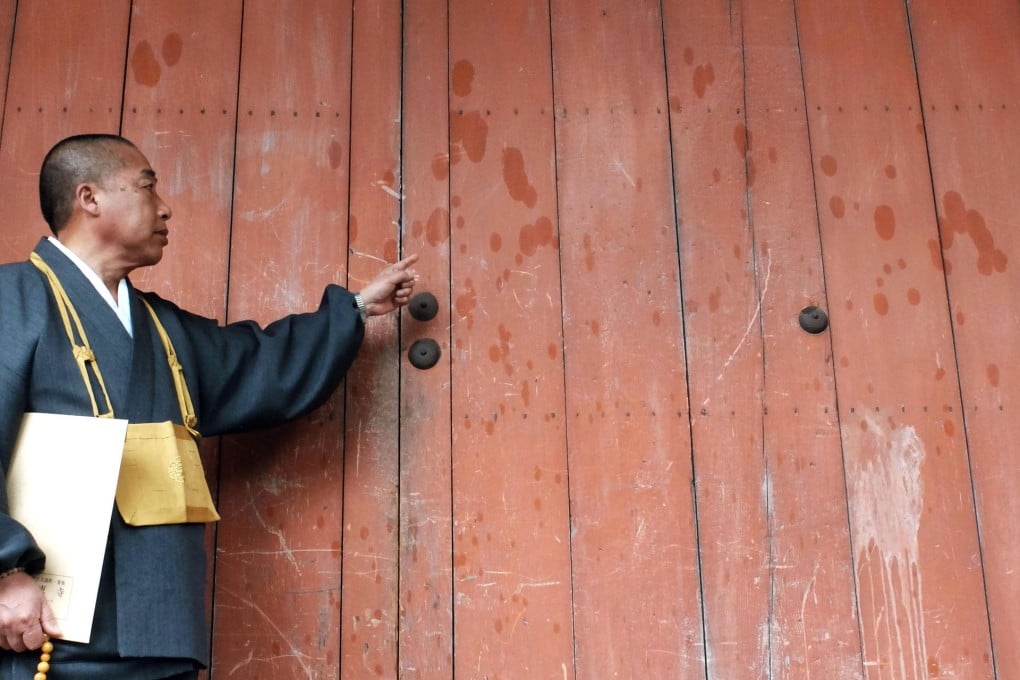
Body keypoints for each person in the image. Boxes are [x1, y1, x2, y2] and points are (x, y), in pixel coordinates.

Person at [0, 134, 418, 678]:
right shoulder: (14, 298)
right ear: (89, 198)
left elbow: (257, 364)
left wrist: (357, 310)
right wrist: (6, 571)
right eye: (148, 186)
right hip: (50, 626)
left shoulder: (162, 329)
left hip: (162, 631)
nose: (165, 206)